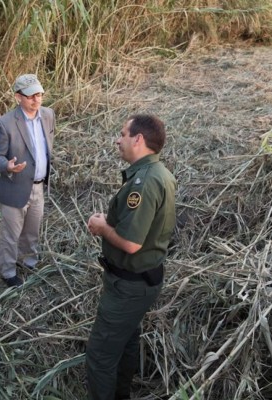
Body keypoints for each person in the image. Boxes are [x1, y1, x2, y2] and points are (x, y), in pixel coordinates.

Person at [86, 114, 177, 400]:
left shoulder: (144, 182)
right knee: (125, 342)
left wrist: (102, 228)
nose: (118, 139)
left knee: (100, 356)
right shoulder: (159, 174)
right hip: (141, 282)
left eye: (122, 133)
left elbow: (131, 243)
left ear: (138, 139)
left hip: (129, 287)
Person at [0, 74, 55, 287]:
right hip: (15, 187)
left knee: (32, 230)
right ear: (18, 97)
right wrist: (7, 166)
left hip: (38, 187)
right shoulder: (6, 123)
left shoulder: (48, 115)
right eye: (30, 96)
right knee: (11, 234)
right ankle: (8, 272)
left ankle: (29, 262)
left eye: (39, 94)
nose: (36, 100)